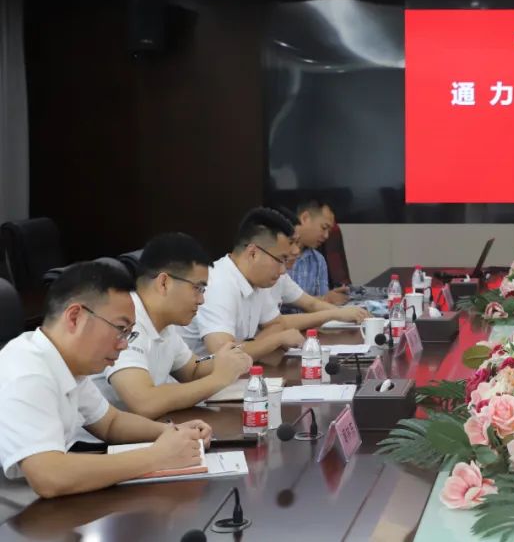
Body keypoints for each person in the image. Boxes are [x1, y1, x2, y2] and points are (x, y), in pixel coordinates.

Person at [0, 262, 212, 498]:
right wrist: (158, 456)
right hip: (16, 511)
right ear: (75, 317)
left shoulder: (64, 362)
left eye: (129, 333)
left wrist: (172, 432)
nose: (124, 345)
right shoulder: (27, 372)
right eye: (120, 329)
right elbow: (49, 476)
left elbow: (111, 423)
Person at [92, 233, 252, 419]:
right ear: (164, 283)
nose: (201, 300)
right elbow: (144, 402)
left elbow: (192, 370)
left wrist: (226, 360)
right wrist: (219, 378)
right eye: (197, 288)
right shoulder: (126, 321)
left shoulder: (164, 324)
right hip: (98, 437)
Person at [178, 208, 366, 361]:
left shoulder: (257, 282)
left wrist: (255, 346)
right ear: (253, 253)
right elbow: (224, 353)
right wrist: (275, 340)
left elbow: (276, 324)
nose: (283, 270)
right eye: (280, 259)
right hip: (196, 387)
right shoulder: (219, 283)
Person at [288, 199, 349, 305]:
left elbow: (322, 304)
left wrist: (330, 298)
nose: (326, 236)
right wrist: (324, 299)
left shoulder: (318, 260)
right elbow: (274, 302)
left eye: (329, 231)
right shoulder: (277, 253)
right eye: (324, 228)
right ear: (305, 218)